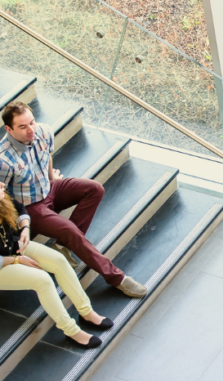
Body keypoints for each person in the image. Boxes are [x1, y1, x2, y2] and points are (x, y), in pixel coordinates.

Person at [0, 101, 146, 298]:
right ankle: (116, 277)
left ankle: (63, 245)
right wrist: (20, 223)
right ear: (9, 128)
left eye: (32, 123)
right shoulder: (3, 159)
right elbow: (3, 197)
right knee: (70, 230)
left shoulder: (43, 131)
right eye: (23, 127)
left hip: (50, 188)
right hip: (29, 206)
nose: (30, 130)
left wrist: (53, 178)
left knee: (94, 189)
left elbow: (46, 157)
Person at [0, 182, 112, 347]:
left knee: (59, 260)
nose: (2, 184)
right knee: (42, 280)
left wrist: (24, 228)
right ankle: (71, 331)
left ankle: (86, 312)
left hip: (12, 248)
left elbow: (20, 209)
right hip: (3, 263)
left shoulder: (3, 196)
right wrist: (16, 260)